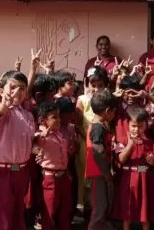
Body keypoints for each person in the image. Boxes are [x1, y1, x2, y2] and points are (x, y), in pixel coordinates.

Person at [0, 71, 36, 230]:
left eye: (22, 88)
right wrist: (5, 103)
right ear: (2, 91)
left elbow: (29, 142)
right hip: (4, 171)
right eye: (13, 87)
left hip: (22, 170)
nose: (17, 91)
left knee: (18, 209)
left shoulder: (28, 116)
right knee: (4, 211)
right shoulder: (3, 111)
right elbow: (0, 111)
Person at [111, 108, 154, 230]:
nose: (136, 130)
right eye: (133, 126)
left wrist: (152, 161)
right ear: (128, 125)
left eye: (140, 126)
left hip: (143, 178)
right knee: (126, 210)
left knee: (145, 210)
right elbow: (121, 159)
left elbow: (151, 163)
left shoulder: (148, 142)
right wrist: (131, 143)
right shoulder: (122, 140)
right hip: (127, 178)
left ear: (145, 126)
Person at [76, 66, 109, 219]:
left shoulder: (107, 100)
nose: (96, 89)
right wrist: (88, 137)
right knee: (84, 174)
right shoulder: (82, 100)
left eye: (100, 85)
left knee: (99, 175)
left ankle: (98, 208)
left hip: (102, 143)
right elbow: (77, 124)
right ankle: (84, 208)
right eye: (93, 85)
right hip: (86, 143)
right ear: (87, 84)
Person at [34, 102, 71, 230]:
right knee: (49, 212)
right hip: (50, 179)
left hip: (63, 176)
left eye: (58, 116)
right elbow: (38, 142)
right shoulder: (42, 134)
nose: (58, 120)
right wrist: (43, 135)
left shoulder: (58, 134)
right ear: (43, 120)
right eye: (54, 117)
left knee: (65, 210)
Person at [85, 89, 118, 230]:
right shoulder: (98, 128)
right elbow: (98, 151)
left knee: (103, 208)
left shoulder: (100, 127)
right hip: (98, 173)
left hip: (100, 173)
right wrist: (106, 173)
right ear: (107, 111)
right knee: (99, 209)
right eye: (114, 111)